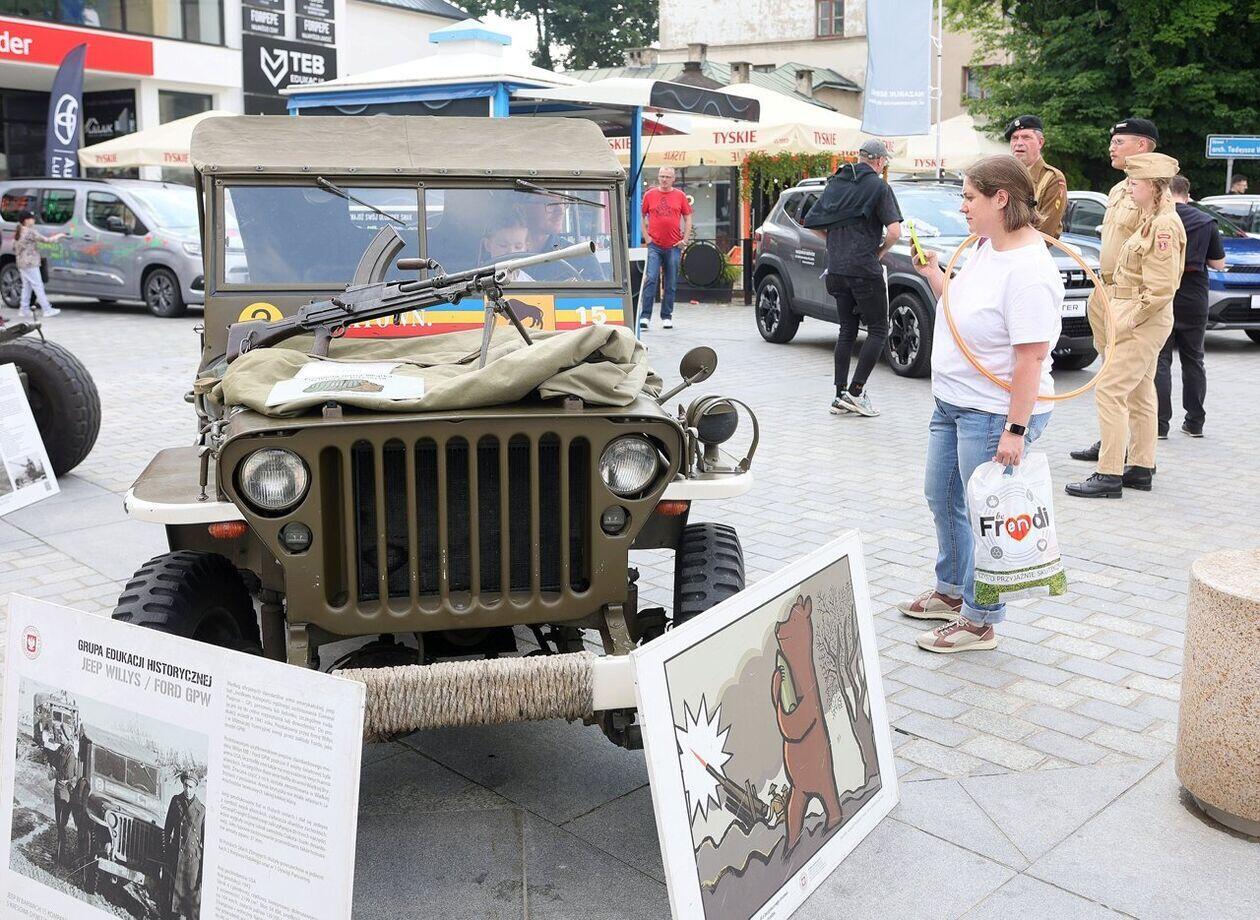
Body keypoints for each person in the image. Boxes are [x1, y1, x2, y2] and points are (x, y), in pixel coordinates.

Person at [898, 155, 1063, 652]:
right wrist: (933, 274)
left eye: (970, 197)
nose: (963, 206)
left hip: (993, 412)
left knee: (983, 515)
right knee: (942, 497)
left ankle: (980, 621)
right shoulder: (988, 248)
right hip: (953, 402)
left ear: (1001, 198)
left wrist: (1016, 430)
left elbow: (1031, 358)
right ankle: (951, 590)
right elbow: (961, 307)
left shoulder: (1029, 271)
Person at [1067, 153, 1185, 498]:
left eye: (1135, 183)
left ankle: (1109, 474)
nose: (1129, 188)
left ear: (1154, 187)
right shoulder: (1152, 219)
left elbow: (1161, 289)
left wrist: (1130, 320)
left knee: (1110, 390)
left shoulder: (1163, 226)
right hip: (1133, 313)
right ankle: (1140, 466)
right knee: (1139, 391)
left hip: (1141, 318)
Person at [1070, 118, 1161, 464]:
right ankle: (1120, 447)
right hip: (1107, 290)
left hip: (1132, 296)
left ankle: (1127, 462)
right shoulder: (1120, 189)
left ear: (1142, 146)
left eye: (1120, 141)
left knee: (1124, 385)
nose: (1111, 147)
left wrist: (1138, 309)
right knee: (1127, 383)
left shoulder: (1153, 193)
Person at [802, 138, 902, 417]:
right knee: (878, 330)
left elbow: (810, 222)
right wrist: (879, 251)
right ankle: (856, 393)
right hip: (864, 270)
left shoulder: (836, 183)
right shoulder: (879, 187)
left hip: (836, 271)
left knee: (847, 330)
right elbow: (895, 232)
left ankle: (839, 396)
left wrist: (835, 244)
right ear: (879, 161)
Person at [1156, 175, 1223, 440]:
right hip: (1194, 297)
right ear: (1188, 194)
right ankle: (1195, 422)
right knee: (1194, 359)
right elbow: (1218, 264)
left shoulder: (1159, 219)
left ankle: (1160, 424)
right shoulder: (1207, 221)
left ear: (1165, 192)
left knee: (1161, 359)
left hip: (1164, 295)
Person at [639, 166, 692, 330]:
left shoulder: (680, 196)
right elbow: (641, 215)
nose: (664, 179)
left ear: (673, 179)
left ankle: (667, 316)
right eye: (662, 176)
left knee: (670, 282)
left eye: (668, 177)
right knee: (651, 278)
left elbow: (688, 217)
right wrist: (646, 237)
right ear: (658, 177)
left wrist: (685, 239)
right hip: (654, 245)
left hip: (674, 245)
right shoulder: (649, 195)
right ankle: (645, 316)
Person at [1004, 114, 1068, 239]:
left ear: (1040, 142)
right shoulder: (1004, 177)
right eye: (1014, 138)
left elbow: (1046, 231)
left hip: (1031, 249)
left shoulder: (1052, 178)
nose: (1019, 143)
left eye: (1026, 137)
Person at [163, 770, 205, 920]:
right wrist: (166, 851)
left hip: (192, 863)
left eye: (191, 787)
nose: (188, 789)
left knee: (191, 905)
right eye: (185, 785)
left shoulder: (202, 810)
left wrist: (202, 869)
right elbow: (167, 829)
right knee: (172, 899)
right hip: (176, 857)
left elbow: (204, 841)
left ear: (196, 788)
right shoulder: (176, 801)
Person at [13, 210, 67, 320]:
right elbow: (46, 240)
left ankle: (24, 310)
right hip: (30, 263)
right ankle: (47, 309)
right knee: (38, 285)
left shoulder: (19, 231)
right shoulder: (30, 232)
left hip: (22, 262)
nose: (34, 220)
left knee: (27, 286)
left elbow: (14, 247)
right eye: (32, 218)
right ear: (26, 220)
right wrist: (59, 235)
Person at [49, 723, 82, 867]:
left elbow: (67, 774)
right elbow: (54, 760)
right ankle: (59, 854)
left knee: (62, 826)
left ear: (67, 736)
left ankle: (61, 857)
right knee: (59, 825)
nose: (59, 735)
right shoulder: (61, 749)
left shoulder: (71, 754)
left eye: (61, 734)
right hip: (58, 791)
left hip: (65, 795)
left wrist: (55, 773)